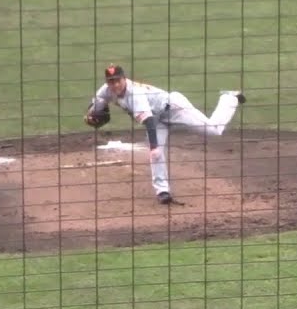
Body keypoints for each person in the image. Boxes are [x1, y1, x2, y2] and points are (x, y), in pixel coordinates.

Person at [83, 64, 245, 204]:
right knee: (157, 155)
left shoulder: (135, 94)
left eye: (118, 80)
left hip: (174, 108)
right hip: (157, 119)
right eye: (111, 81)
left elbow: (148, 121)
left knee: (213, 130)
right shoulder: (106, 90)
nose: (115, 85)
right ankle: (162, 191)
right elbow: (97, 101)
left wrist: (154, 146)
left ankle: (229, 97)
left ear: (124, 79)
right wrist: (89, 113)